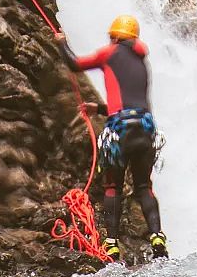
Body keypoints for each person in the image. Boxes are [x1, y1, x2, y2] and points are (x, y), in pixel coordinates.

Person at [57, 15, 168, 261]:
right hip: (146, 129)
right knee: (143, 186)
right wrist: (99, 108)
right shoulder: (142, 61)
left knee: (112, 187)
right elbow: (132, 104)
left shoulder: (110, 53)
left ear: (116, 36)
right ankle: (157, 235)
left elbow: (75, 64)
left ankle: (111, 243)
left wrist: (61, 43)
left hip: (120, 132)